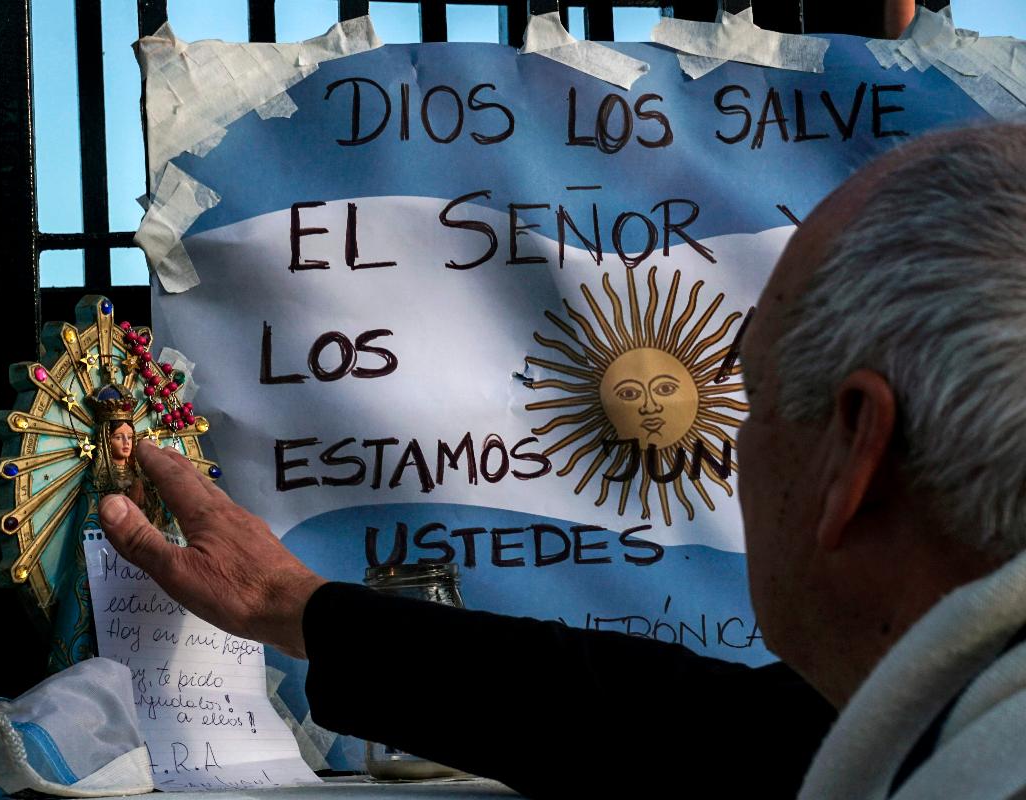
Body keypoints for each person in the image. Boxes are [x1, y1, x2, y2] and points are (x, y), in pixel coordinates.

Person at [97, 122, 1026, 799]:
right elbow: (668, 728)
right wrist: (294, 607)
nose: (735, 448)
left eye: (752, 392)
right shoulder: (934, 724)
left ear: (856, 451)